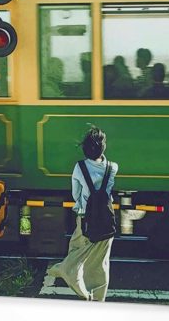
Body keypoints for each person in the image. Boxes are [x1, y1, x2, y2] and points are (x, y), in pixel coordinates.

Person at [47, 126, 118, 301]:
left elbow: (75, 193)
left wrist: (82, 204)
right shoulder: (113, 167)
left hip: (85, 218)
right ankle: (97, 299)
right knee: (101, 263)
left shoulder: (80, 168)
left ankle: (66, 269)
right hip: (107, 220)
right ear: (103, 148)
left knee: (77, 249)